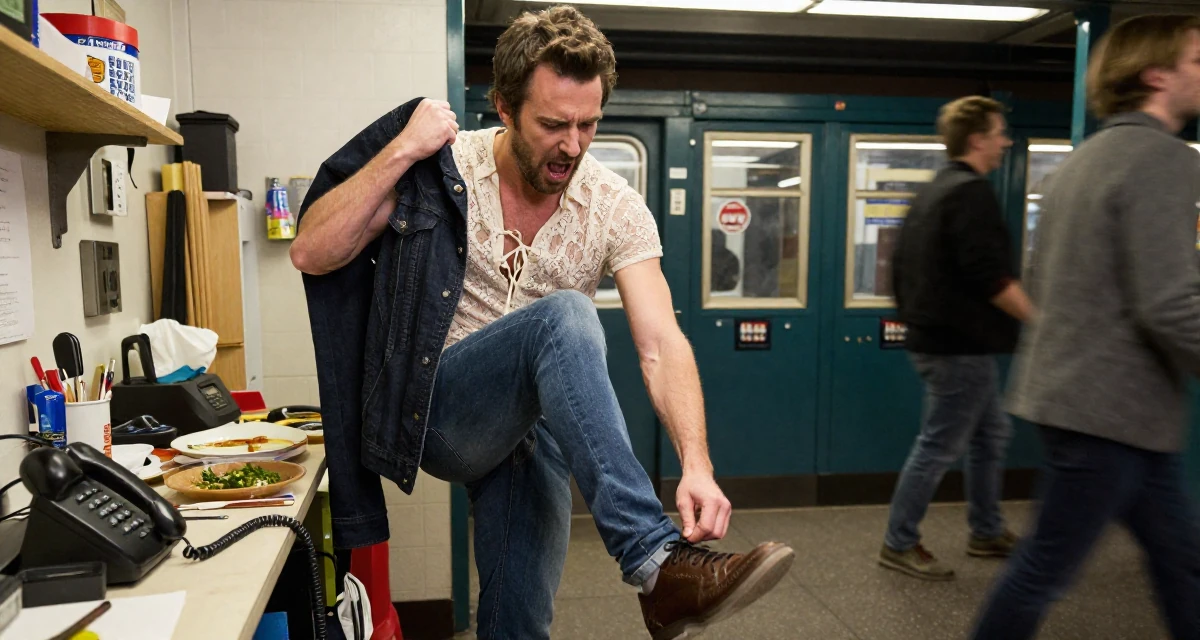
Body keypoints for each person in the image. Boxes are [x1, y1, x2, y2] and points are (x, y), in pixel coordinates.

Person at [290, 6, 794, 640]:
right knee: (565, 314)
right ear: (504, 108)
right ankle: (655, 561)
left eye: (588, 124)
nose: (573, 145)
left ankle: (654, 585)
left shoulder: (614, 205)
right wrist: (402, 149)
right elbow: (312, 252)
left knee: (520, 622)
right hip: (439, 410)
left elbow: (662, 343)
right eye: (553, 124)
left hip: (529, 432)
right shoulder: (441, 169)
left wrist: (696, 462)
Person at [972, 15, 1200, 639]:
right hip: (1111, 411)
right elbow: (1169, 302)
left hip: (1094, 405)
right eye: (1196, 61)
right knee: (1044, 569)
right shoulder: (1164, 159)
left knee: (1181, 562)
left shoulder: (1082, 162)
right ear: (1156, 75)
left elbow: (1049, 282)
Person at [881, 96, 1035, 580]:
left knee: (990, 435)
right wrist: (1040, 321)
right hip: (957, 347)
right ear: (977, 139)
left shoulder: (934, 191)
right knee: (938, 444)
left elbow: (897, 267)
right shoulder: (971, 193)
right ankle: (898, 541)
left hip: (943, 341)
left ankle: (986, 530)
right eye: (999, 133)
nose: (1005, 142)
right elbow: (991, 276)